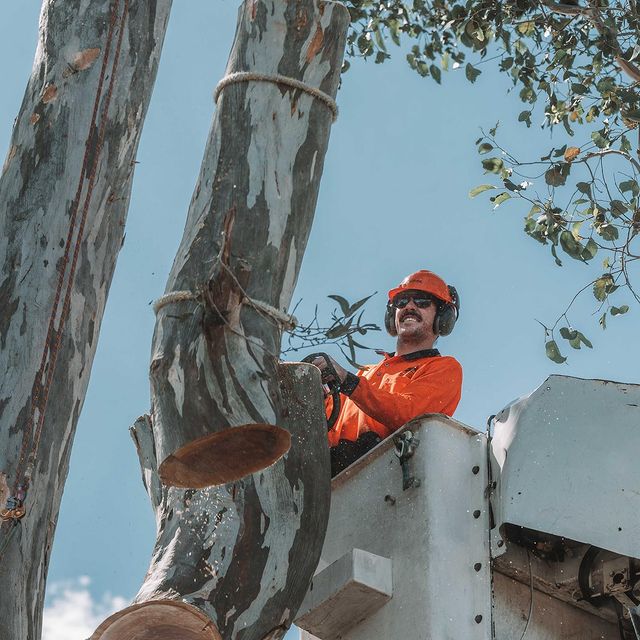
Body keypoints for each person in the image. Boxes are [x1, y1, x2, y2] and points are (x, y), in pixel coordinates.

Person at [313, 270, 463, 476]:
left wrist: (350, 383)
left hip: (386, 477)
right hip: (334, 480)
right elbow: (323, 426)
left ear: (443, 317)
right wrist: (313, 397)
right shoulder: (365, 373)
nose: (409, 307)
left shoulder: (443, 368)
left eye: (422, 301)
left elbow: (411, 415)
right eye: (401, 302)